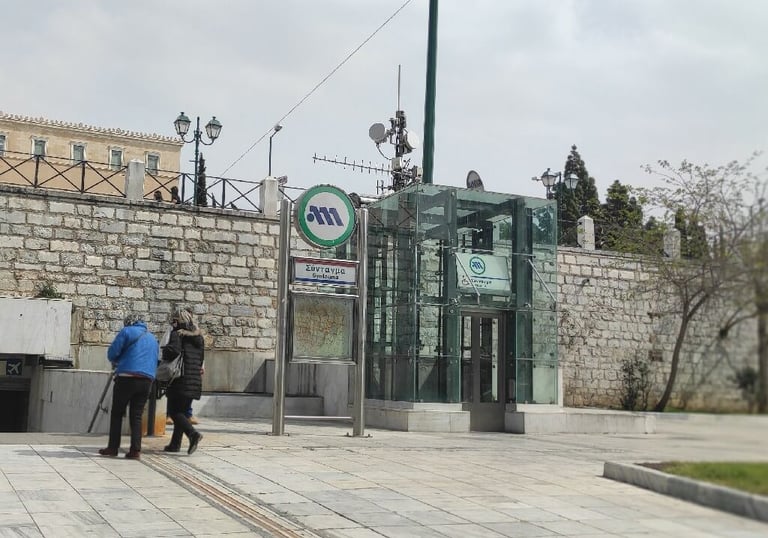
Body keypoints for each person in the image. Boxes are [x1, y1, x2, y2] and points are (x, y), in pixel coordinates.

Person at [99, 314, 158, 460]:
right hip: (147, 380)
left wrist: (118, 360)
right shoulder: (152, 338)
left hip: (127, 378)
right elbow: (156, 359)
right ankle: (135, 450)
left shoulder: (126, 332)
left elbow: (112, 353)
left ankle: (113, 448)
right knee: (136, 415)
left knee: (117, 413)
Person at [162, 309, 205, 454]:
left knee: (174, 412)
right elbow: (200, 359)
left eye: (173, 319)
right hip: (194, 381)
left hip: (180, 379)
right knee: (182, 412)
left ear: (177, 320)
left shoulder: (177, 334)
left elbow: (173, 351)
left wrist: (164, 350)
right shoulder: (199, 338)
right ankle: (175, 444)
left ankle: (193, 434)